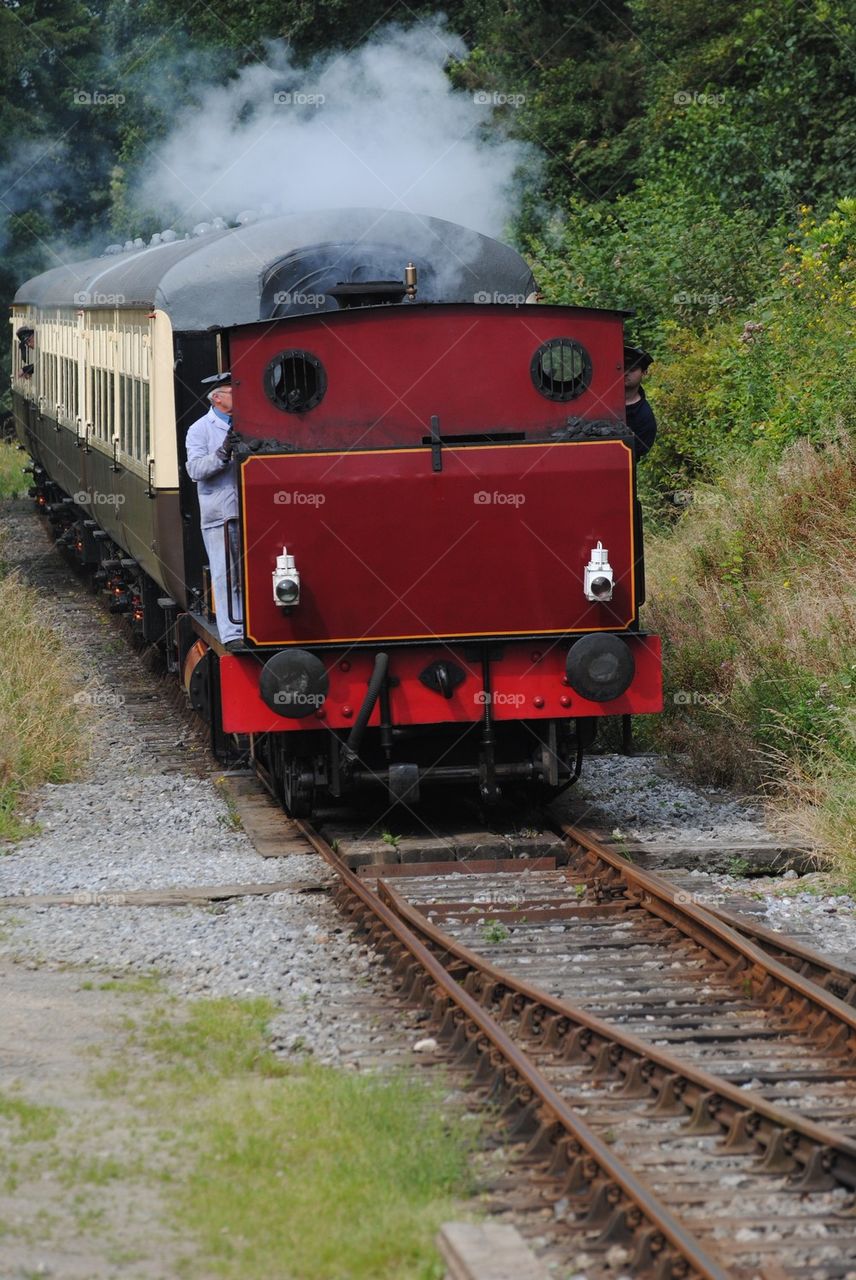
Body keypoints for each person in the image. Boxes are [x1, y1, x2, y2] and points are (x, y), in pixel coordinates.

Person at [185, 372, 244, 650]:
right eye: (233, 391)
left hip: (249, 510)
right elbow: (195, 469)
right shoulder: (199, 430)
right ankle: (232, 632)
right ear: (217, 397)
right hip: (220, 512)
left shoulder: (248, 425)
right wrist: (222, 455)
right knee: (225, 572)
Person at [623, 345, 657, 458]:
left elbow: (636, 454)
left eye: (632, 368)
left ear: (644, 372)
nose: (626, 372)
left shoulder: (645, 418)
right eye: (621, 367)